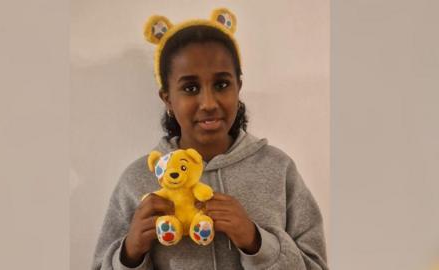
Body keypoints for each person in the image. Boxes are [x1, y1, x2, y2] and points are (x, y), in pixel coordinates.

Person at [92, 8, 328, 270]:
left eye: (222, 84)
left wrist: (256, 241)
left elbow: (316, 265)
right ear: (167, 98)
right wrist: (129, 255)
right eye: (190, 88)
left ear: (238, 86)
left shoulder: (278, 169)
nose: (208, 103)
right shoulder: (136, 180)